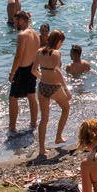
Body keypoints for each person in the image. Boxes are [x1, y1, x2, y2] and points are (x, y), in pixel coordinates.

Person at [32, 30, 72, 158]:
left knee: (44, 119)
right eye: (62, 42)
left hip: (42, 87)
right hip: (54, 87)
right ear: (58, 41)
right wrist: (66, 88)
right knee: (66, 108)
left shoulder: (39, 51)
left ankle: (42, 150)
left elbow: (33, 70)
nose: (61, 45)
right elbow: (58, 71)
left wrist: (42, 77)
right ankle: (58, 137)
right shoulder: (56, 53)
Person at [7, 11, 40, 132]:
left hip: (22, 70)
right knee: (31, 95)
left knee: (13, 98)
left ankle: (12, 127)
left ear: (22, 20)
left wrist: (12, 73)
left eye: (16, 21)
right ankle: (33, 124)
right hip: (32, 68)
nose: (15, 24)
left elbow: (18, 57)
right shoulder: (35, 33)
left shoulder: (22, 35)